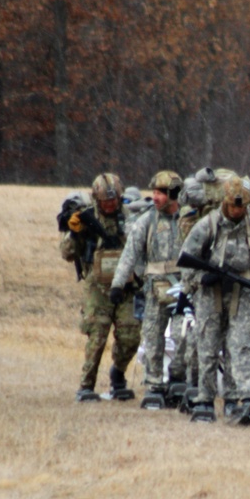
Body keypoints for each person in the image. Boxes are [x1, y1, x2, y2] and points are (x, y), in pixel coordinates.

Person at [178, 174, 250, 424]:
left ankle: (243, 397)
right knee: (208, 345)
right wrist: (201, 279)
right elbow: (186, 261)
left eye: (242, 206)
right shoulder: (207, 225)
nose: (237, 210)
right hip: (211, 292)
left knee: (242, 344)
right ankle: (205, 398)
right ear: (225, 202)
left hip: (244, 291)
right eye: (233, 205)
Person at [58, 172, 141, 402]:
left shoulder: (131, 217)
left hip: (126, 287)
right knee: (97, 335)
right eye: (106, 201)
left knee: (131, 335)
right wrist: (73, 233)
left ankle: (118, 374)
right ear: (97, 199)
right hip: (98, 289)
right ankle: (86, 385)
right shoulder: (86, 219)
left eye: (114, 200)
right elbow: (67, 254)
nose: (111, 204)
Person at [110, 170, 188, 409]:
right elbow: (129, 254)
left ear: (173, 194)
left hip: (183, 290)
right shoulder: (146, 221)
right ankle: (154, 385)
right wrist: (117, 283)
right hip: (154, 291)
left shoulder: (188, 220)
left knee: (183, 337)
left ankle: (177, 379)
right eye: (153, 192)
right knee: (152, 340)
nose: (155, 197)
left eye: (161, 193)